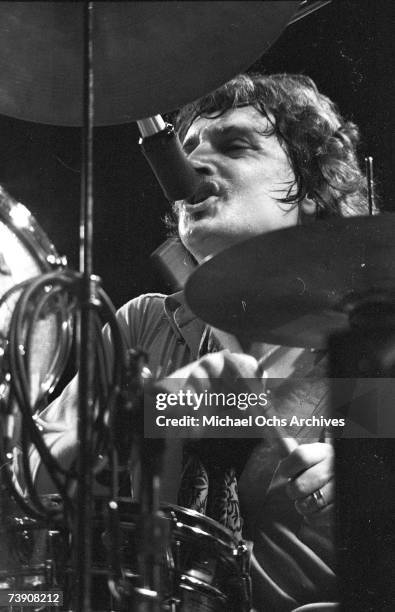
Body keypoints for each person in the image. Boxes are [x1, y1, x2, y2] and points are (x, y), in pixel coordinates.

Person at [16, 73, 370, 611]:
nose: (193, 165)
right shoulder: (143, 326)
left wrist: (370, 486)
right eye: (186, 149)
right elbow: (28, 476)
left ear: (313, 191)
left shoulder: (367, 345)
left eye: (234, 145)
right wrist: (140, 413)